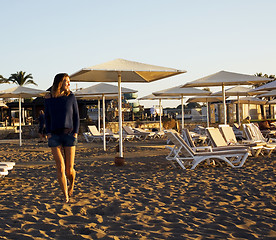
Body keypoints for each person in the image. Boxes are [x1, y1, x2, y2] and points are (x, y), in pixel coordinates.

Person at [44, 73, 80, 203]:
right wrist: (48, 132)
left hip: (69, 135)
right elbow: (47, 117)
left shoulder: (71, 97)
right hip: (54, 136)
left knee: (69, 169)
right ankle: (65, 195)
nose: (69, 84)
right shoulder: (48, 98)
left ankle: (72, 183)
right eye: (67, 81)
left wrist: (75, 132)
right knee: (60, 167)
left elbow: (76, 117)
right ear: (60, 82)